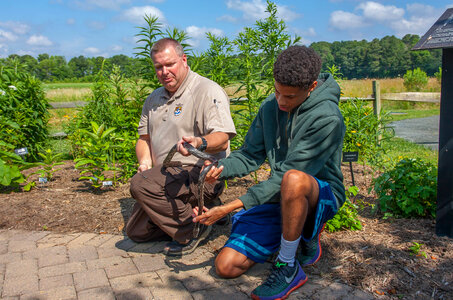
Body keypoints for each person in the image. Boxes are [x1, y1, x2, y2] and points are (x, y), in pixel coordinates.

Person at [194, 45, 346, 299]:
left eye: (289, 97)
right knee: (226, 266)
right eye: (277, 92)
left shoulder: (327, 118)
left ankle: (287, 264)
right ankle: (297, 236)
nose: (281, 102)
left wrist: (232, 206)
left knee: (293, 179)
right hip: (281, 193)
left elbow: (289, 173)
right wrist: (218, 168)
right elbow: (250, 155)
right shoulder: (270, 107)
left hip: (319, 194)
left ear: (312, 87)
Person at [126, 38, 236, 256]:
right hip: (165, 177)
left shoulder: (206, 90)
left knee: (139, 185)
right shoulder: (153, 98)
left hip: (200, 173)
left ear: (184, 60)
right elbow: (144, 139)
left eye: (170, 64)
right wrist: (145, 162)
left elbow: (223, 138)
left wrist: (198, 142)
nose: (164, 71)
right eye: (158, 67)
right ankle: (207, 211)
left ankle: (193, 229)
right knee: (136, 232)